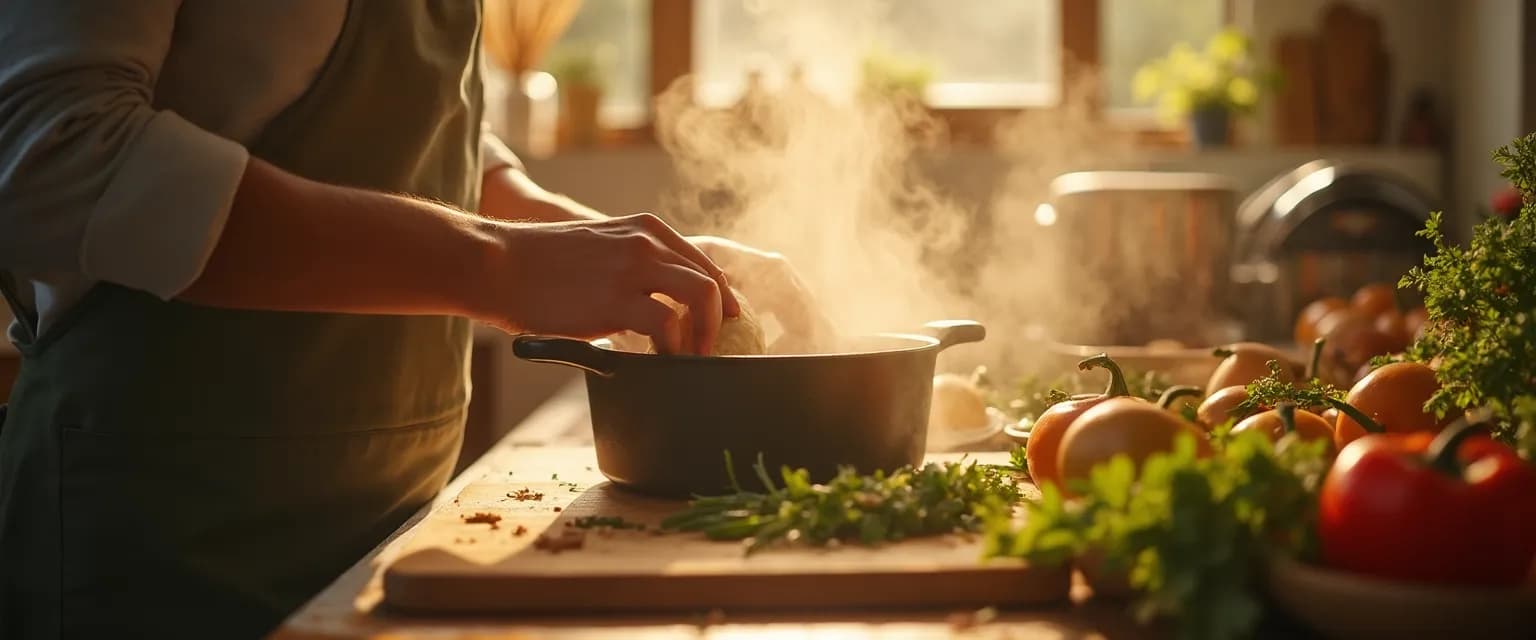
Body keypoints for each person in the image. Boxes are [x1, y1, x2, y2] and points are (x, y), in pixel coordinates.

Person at [0, 2, 825, 637]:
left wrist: (608, 255)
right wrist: (498, 266)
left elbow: (435, 146)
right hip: (157, 553)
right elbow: (48, 153)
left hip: (404, 539)